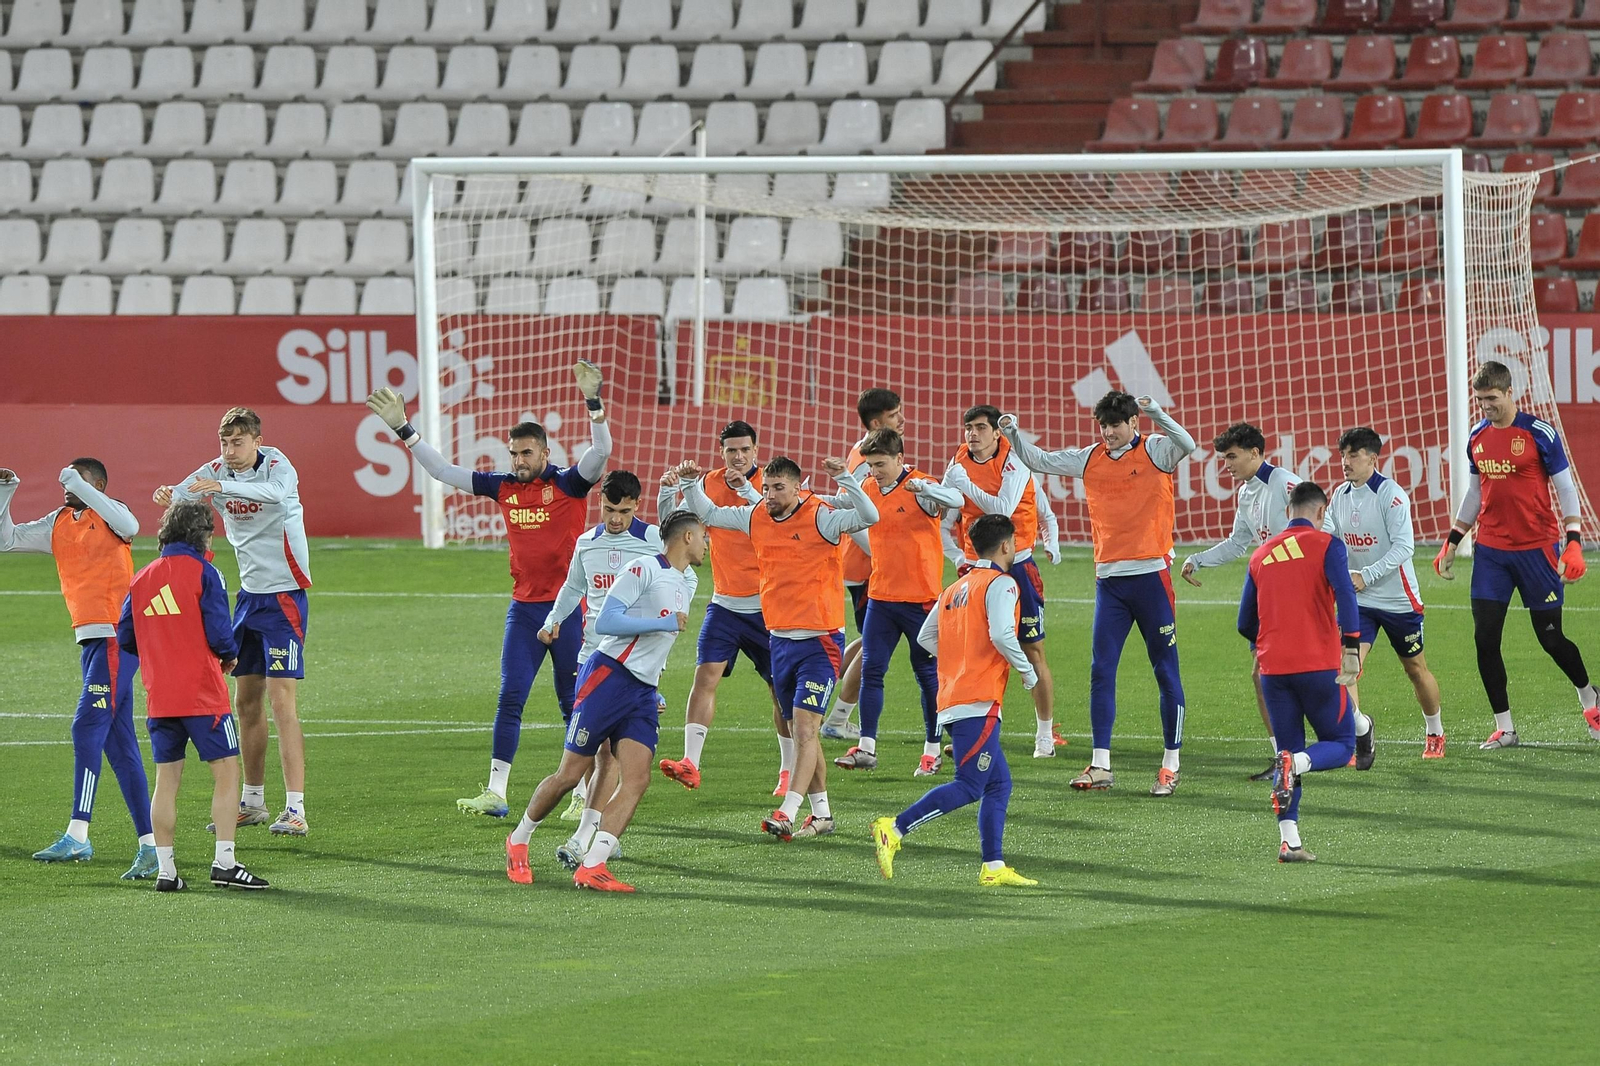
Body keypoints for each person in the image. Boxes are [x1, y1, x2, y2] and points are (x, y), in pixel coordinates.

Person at [364, 365, 613, 816]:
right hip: (524, 610)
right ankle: (497, 793)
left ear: (545, 452)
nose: (517, 461)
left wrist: (593, 404)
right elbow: (442, 471)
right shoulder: (502, 488)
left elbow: (600, 453)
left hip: (570, 612)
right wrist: (404, 428)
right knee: (510, 695)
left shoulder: (568, 485)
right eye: (513, 453)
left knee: (573, 703)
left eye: (525, 453)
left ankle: (581, 793)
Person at [1001, 393, 1196, 795]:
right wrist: (1013, 434)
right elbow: (1039, 460)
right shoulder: (1089, 457)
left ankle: (1171, 764)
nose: (1108, 432)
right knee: (1101, 670)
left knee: (1165, 670)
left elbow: (1188, 445)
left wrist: (1158, 412)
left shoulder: (1157, 450)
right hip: (1110, 583)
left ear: (1134, 424)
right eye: (1103, 425)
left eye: (1116, 424)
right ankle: (1101, 764)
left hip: (1151, 579)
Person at [504, 509, 706, 893]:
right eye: (703, 536)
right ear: (687, 538)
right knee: (569, 775)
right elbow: (606, 622)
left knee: (637, 778)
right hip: (608, 677)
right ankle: (519, 838)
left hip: (643, 691)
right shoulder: (642, 569)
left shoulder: (688, 581)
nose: (707, 543)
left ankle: (593, 864)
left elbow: (657, 646)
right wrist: (661, 622)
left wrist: (655, 683)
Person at [679, 455, 880, 841]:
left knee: (804, 728)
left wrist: (846, 480)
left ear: (797, 487)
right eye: (767, 488)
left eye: (778, 489)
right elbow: (711, 513)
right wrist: (691, 484)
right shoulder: (756, 516)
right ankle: (822, 815)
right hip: (780, 640)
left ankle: (787, 811)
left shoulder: (821, 517)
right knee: (802, 731)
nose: (769, 495)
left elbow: (869, 515)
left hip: (820, 642)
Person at [155, 407, 311, 837]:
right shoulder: (216, 468)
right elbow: (184, 493)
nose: (229, 451)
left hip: (284, 594)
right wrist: (169, 492)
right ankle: (254, 801)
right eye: (224, 443)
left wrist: (219, 485)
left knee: (282, 703)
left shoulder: (278, 465)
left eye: (238, 442)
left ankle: (295, 808)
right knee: (245, 702)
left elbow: (277, 494)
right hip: (248, 597)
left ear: (257, 441)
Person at [2, 461, 157, 878]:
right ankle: (151, 846)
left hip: (114, 636)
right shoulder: (58, 522)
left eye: (78, 481)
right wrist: (6, 493)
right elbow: (6, 540)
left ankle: (79, 833)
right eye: (66, 481)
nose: (67, 488)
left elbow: (133, 522)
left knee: (85, 727)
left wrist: (76, 481)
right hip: (93, 642)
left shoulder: (111, 515)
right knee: (119, 744)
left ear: (99, 486)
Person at [1434, 360, 1596, 747]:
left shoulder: (1539, 433)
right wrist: (1454, 540)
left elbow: (1567, 490)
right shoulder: (1477, 435)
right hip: (1491, 552)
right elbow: (1475, 493)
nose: (1485, 406)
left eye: (1491, 398)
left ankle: (1591, 698)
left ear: (1510, 393)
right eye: (1480, 399)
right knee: (1485, 639)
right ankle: (1505, 727)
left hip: (1537, 550)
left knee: (1551, 638)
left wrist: (1573, 541)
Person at [871, 514, 1039, 888]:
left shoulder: (957, 587)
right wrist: (1028, 672)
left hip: (954, 697)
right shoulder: (1002, 584)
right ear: (1006, 546)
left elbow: (927, 638)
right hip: (977, 698)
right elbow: (1002, 635)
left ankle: (993, 866)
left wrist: (960, 659)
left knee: (998, 784)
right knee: (969, 785)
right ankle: (894, 828)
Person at [117, 502, 268, 891]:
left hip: (160, 696)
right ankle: (224, 863)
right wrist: (230, 656)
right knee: (227, 773)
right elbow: (220, 632)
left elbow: (126, 637)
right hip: (203, 694)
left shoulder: (141, 578)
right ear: (203, 535)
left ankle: (167, 872)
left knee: (166, 780)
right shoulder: (206, 573)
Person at [656, 420, 793, 796]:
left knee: (779, 689)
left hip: (768, 606)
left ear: (755, 450)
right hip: (725, 604)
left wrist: (748, 490)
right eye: (731, 450)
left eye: (744, 449)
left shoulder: (773, 485)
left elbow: (783, 522)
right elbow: (675, 525)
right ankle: (691, 763)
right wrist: (670, 491)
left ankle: (787, 771)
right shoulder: (708, 484)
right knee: (705, 677)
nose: (738, 456)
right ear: (722, 452)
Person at [539, 470, 663, 867]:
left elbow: (678, 584)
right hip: (591, 660)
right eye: (609, 510)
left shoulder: (652, 542)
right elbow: (574, 587)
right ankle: (603, 831)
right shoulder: (586, 544)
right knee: (595, 753)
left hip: (633, 665)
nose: (615, 519)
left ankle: (589, 836)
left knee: (609, 755)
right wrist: (553, 620)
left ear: (637, 506)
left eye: (624, 511)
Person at [1238, 482, 1362, 864]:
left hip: (1274, 671)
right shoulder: (1328, 545)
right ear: (1322, 512)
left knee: (1286, 749)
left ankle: (1289, 841)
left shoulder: (1260, 555)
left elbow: (1245, 621)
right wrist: (1352, 647)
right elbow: (1346, 594)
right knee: (1341, 745)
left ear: (1288, 510)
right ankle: (1301, 761)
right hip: (1318, 665)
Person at [830, 428, 965, 775]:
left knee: (927, 675)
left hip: (921, 602)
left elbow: (956, 500)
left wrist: (927, 489)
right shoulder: (871, 490)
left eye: (881, 464)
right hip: (881, 598)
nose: (875, 471)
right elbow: (839, 503)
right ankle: (866, 747)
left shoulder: (920, 487)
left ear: (900, 459)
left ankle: (931, 751)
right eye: (871, 465)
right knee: (872, 671)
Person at [1180, 422, 1307, 781]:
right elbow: (1238, 543)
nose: (1227, 465)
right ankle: (1283, 757)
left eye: (1232, 457)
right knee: (1261, 674)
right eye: (1223, 459)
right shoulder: (1246, 493)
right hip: (1268, 592)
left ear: (1255, 453)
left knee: (1308, 675)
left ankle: (1354, 729)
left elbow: (1320, 529)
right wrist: (1198, 559)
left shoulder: (1285, 484)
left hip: (1296, 594)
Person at [943, 405, 1061, 758]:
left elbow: (1005, 510)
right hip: (977, 572)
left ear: (997, 433)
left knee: (1032, 650)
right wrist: (956, 556)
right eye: (968, 427)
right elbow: (946, 519)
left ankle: (1044, 734)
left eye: (981, 427)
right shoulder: (957, 463)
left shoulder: (1015, 460)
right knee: (975, 654)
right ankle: (978, 732)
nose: (972, 434)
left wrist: (1050, 539)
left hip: (1019, 567)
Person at [1324, 427, 1444, 761]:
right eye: (1343, 455)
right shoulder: (1340, 495)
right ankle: (1354, 737)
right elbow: (1329, 534)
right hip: (1359, 601)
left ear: (1373, 459)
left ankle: (1435, 731)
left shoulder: (1391, 495)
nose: (1345, 462)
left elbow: (1405, 546)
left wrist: (1367, 574)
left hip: (1398, 601)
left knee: (1415, 669)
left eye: (1353, 455)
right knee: (1346, 666)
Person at [823, 388, 906, 742]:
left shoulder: (866, 452)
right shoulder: (863, 462)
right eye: (894, 415)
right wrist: (879, 552)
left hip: (869, 566)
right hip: (866, 567)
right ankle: (837, 719)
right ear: (876, 422)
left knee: (870, 641)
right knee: (875, 650)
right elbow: (848, 509)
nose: (902, 420)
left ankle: (817, 687)